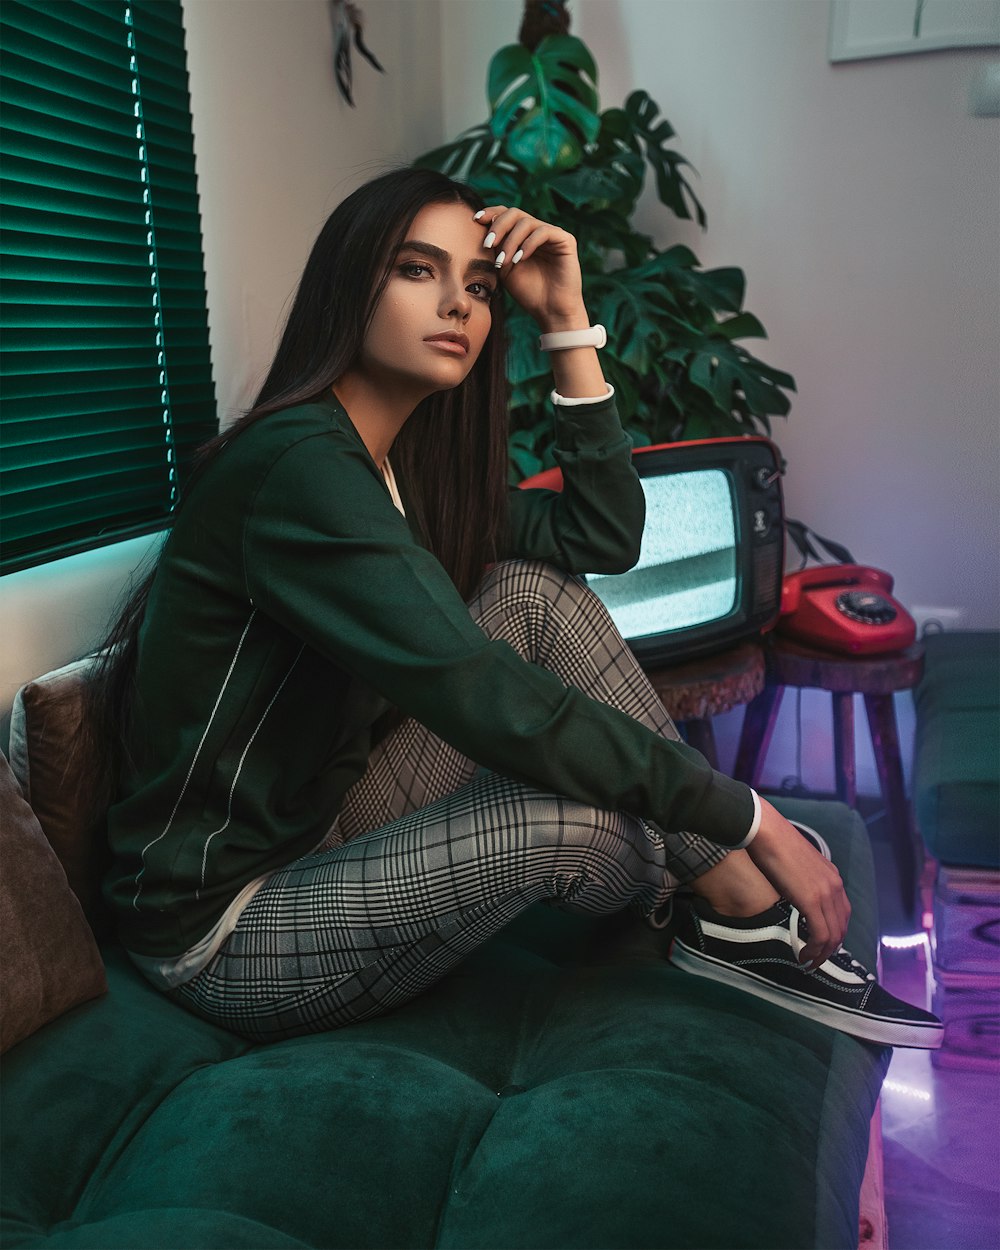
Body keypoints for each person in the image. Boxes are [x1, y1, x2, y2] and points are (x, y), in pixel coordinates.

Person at [94, 167, 941, 1050]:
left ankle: (733, 904)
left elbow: (601, 536)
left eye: (480, 286)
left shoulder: (398, 469)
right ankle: (735, 897)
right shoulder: (297, 469)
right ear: (351, 283)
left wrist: (567, 324)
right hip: (225, 926)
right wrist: (747, 814)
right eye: (417, 270)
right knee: (584, 820)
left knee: (532, 596)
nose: (457, 304)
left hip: (322, 816)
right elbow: (477, 689)